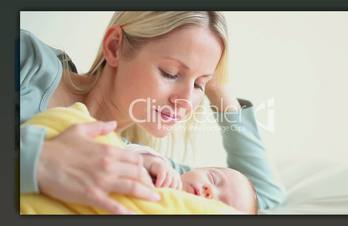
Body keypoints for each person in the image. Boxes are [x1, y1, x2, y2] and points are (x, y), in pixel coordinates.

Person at [20, 11, 285, 214]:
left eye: (198, 85)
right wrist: (37, 160)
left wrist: (216, 86)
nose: (184, 101)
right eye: (171, 73)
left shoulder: (147, 167)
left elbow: (261, 195)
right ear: (114, 47)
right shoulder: (26, 62)